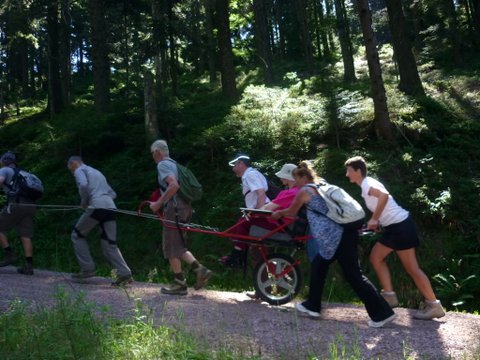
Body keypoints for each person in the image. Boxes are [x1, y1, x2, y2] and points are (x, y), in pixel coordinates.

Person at [272, 162, 396, 328]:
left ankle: (382, 313)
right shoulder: (323, 184)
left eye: (296, 179)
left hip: (336, 237)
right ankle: (313, 305)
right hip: (342, 233)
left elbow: (292, 212)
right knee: (319, 265)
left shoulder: (305, 191)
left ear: (303, 177)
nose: (295, 183)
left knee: (353, 275)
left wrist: (279, 213)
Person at [344, 156, 445, 320]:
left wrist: (375, 218)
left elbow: (384, 196)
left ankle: (434, 305)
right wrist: (379, 221)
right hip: (395, 227)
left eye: (348, 171)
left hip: (401, 227)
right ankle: (390, 296)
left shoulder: (367, 183)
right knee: (376, 257)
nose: (347, 174)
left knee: (412, 269)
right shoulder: (366, 184)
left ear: (358, 171)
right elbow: (384, 203)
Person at [149, 140, 212, 296]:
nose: (152, 157)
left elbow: (174, 185)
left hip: (174, 209)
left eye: (152, 153)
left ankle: (180, 284)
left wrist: (158, 203)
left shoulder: (163, 165)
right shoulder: (175, 164)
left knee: (170, 246)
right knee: (178, 245)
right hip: (185, 208)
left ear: (157, 152)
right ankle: (200, 270)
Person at [67, 156, 133, 286]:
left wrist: (84, 201)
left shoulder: (80, 170)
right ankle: (124, 273)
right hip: (110, 207)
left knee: (77, 235)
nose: (71, 172)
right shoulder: (97, 172)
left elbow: (83, 185)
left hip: (96, 206)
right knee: (110, 243)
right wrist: (104, 198)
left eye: (70, 169)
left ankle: (87, 269)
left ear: (74, 163)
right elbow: (113, 193)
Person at [220, 162, 299, 267]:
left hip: (281, 224)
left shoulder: (290, 193)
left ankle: (236, 255)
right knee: (245, 221)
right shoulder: (296, 191)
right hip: (283, 222)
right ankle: (237, 254)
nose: (280, 179)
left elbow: (269, 206)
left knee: (244, 222)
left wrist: (255, 212)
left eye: (282, 176)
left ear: (288, 178)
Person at [220, 153, 270, 266]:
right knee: (238, 228)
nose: (233, 169)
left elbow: (261, 194)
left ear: (241, 164)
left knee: (241, 226)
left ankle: (236, 257)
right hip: (259, 209)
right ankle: (238, 256)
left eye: (234, 165)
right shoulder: (251, 175)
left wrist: (259, 213)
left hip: (262, 211)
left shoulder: (250, 175)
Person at [0, 151, 36, 275]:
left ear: (4, 161)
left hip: (16, 205)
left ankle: (9, 255)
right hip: (30, 206)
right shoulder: (23, 173)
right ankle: (29, 266)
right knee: (26, 236)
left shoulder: (4, 170)